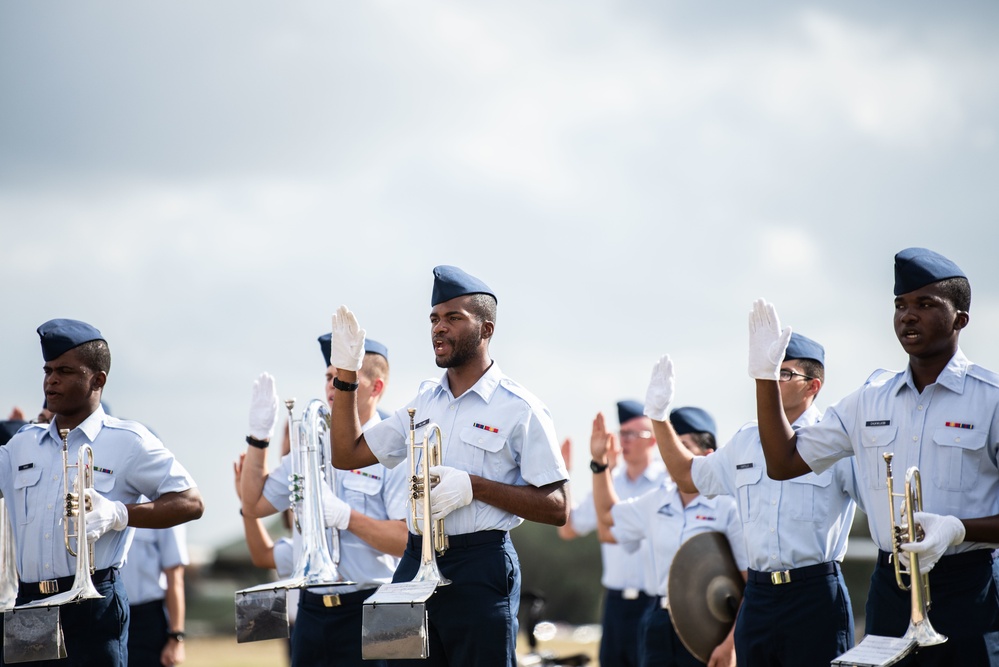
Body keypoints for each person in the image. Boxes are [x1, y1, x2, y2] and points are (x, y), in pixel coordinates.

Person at [751, 247, 999, 665]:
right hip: (892, 589)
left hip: (969, 589)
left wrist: (957, 528)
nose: (907, 315)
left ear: (960, 319)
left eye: (925, 304)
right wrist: (763, 376)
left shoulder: (990, 400)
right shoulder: (867, 401)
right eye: (901, 305)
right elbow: (783, 463)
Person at [328, 265, 569, 667]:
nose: (440, 328)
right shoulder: (423, 401)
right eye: (435, 319)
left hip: (480, 564)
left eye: (454, 318)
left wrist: (476, 486)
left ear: (486, 329)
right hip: (415, 558)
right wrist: (347, 375)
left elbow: (558, 506)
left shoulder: (519, 407)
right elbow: (347, 455)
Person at [643, 335, 859, 665]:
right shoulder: (746, 441)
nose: (772, 381)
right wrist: (658, 418)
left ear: (812, 386)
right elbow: (687, 475)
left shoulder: (835, 441)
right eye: (769, 372)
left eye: (784, 374)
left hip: (813, 593)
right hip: (758, 597)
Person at [0, 318, 204, 666]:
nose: (51, 379)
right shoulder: (22, 444)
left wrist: (120, 514)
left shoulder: (127, 440)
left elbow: (191, 502)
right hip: (29, 604)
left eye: (64, 370)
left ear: (98, 379)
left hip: (92, 606)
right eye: (48, 370)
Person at [239, 335, 409, 667]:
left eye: (345, 379)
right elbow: (253, 504)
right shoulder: (308, 448)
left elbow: (406, 541)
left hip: (377, 607)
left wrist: (346, 517)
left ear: (376, 388)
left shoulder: (393, 453)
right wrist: (258, 438)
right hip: (312, 610)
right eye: (329, 378)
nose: (333, 387)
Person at [590, 407, 746, 667]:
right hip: (659, 622)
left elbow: (749, 585)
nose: (672, 456)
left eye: (683, 447)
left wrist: (730, 643)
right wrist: (599, 463)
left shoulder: (728, 507)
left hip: (711, 626)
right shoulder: (658, 500)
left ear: (709, 455)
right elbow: (607, 515)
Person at [558, 400, 665, 667]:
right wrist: (562, 478)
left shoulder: (668, 484)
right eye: (622, 434)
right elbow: (568, 529)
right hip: (616, 605)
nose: (624, 441)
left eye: (633, 434)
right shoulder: (608, 482)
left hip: (655, 603)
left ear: (652, 440)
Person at [119, 521, 189, 667]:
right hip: (106, 614)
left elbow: (174, 576)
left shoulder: (164, 506)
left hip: (146, 619)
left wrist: (176, 637)